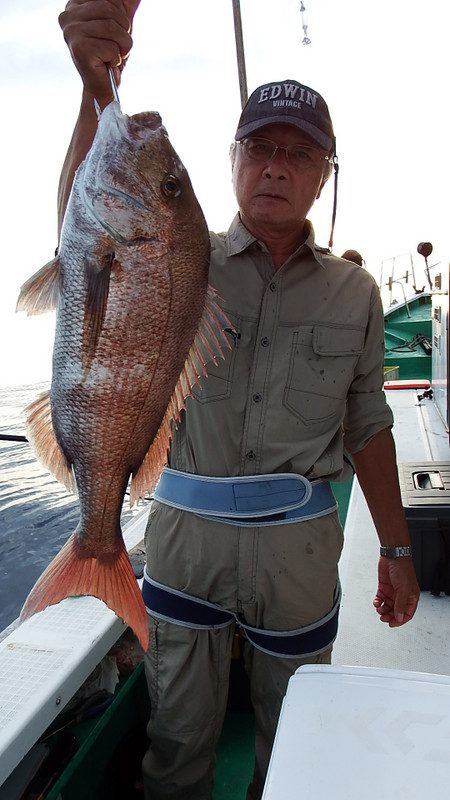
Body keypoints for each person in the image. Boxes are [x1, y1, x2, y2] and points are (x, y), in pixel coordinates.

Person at [57, 2, 420, 798]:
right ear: (233, 161)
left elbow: (368, 424)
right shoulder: (181, 251)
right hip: (184, 543)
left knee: (295, 738)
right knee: (178, 740)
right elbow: (84, 232)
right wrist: (94, 92)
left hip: (298, 555)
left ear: (324, 175)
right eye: (261, 148)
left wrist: (394, 549)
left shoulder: (355, 293)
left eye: (300, 154)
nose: (278, 166)